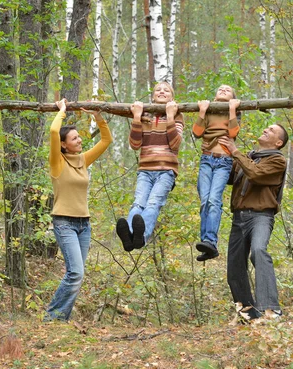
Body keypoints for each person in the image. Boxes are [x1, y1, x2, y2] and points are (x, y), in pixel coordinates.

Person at [44, 98, 113, 322]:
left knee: (77, 276)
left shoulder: (83, 160)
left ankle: (61, 319)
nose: (80, 139)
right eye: (74, 137)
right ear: (64, 144)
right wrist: (62, 111)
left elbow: (106, 140)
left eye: (79, 136)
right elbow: (54, 131)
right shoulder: (58, 162)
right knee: (76, 273)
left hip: (84, 225)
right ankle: (52, 318)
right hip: (64, 222)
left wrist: (98, 116)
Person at [217, 123, 289, 321]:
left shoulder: (277, 161)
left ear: (278, 142)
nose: (266, 129)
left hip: (261, 217)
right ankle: (248, 313)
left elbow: (255, 174)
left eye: (272, 130)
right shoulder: (248, 157)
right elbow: (230, 178)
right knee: (234, 264)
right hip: (239, 217)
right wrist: (218, 155)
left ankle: (271, 309)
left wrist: (235, 151)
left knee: (258, 251)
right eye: (266, 127)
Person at [116, 82, 184, 251]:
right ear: (153, 96)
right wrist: (137, 118)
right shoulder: (144, 114)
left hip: (166, 170)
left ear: (172, 97)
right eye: (158, 90)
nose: (161, 91)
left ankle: (141, 237)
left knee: (153, 203)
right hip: (145, 169)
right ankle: (130, 236)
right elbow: (134, 144)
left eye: (166, 90)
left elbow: (175, 144)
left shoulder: (177, 114)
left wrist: (169, 116)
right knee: (138, 204)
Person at [192, 85, 241, 261]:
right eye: (220, 89)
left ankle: (210, 240)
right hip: (206, 160)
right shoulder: (209, 110)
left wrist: (233, 110)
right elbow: (197, 132)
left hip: (223, 161)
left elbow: (233, 132)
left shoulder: (232, 111)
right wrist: (202, 112)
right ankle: (206, 242)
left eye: (228, 90)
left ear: (233, 98)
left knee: (214, 199)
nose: (222, 90)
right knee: (205, 200)